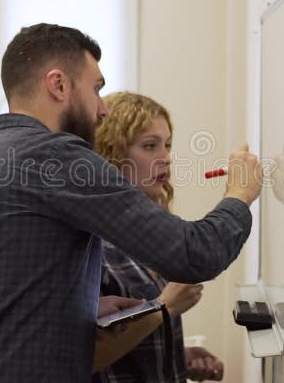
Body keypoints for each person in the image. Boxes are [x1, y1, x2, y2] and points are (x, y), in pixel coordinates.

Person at [0, 23, 262, 382]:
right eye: (96, 89)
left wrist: (80, 308)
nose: (102, 109)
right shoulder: (55, 155)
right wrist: (239, 194)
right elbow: (195, 254)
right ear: (58, 85)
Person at [91, 92, 224, 382]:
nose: (165, 158)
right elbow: (88, 357)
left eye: (167, 145)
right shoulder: (92, 244)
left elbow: (130, 339)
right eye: (150, 146)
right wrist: (163, 308)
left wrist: (179, 357)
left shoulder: (149, 235)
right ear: (110, 152)